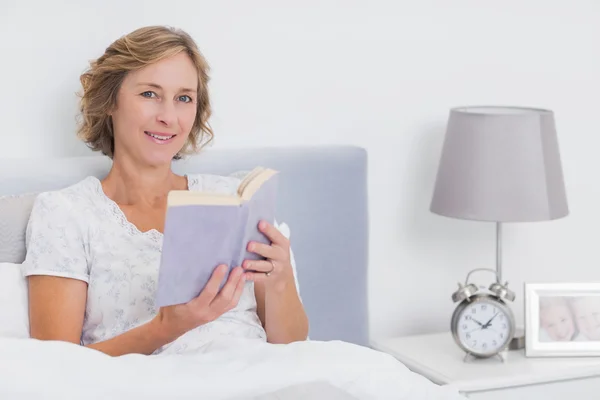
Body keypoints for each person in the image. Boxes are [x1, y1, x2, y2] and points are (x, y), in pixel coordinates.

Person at [21, 25, 309, 357]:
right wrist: (166, 328)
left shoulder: (233, 199)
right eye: (149, 94)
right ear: (109, 101)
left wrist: (280, 281)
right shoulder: (66, 213)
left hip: (265, 377)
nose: (168, 117)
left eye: (184, 98)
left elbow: (294, 348)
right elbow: (54, 366)